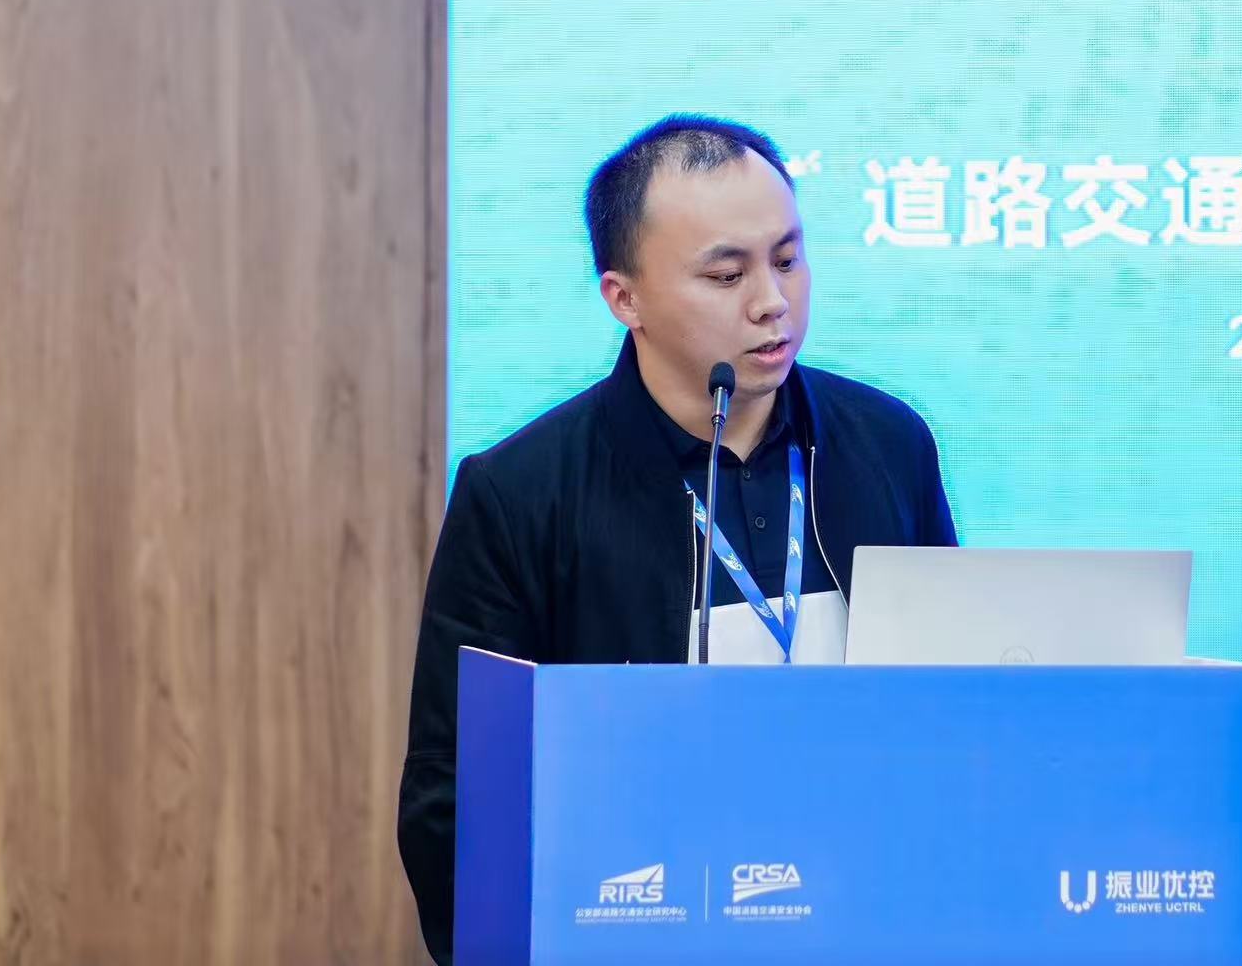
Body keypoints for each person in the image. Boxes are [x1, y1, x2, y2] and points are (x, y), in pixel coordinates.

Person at [396, 115, 957, 962]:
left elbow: (952, 703)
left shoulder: (887, 444)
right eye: (726, 274)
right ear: (624, 298)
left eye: (788, 259)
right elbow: (456, 795)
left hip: (868, 921)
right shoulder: (519, 494)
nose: (771, 301)